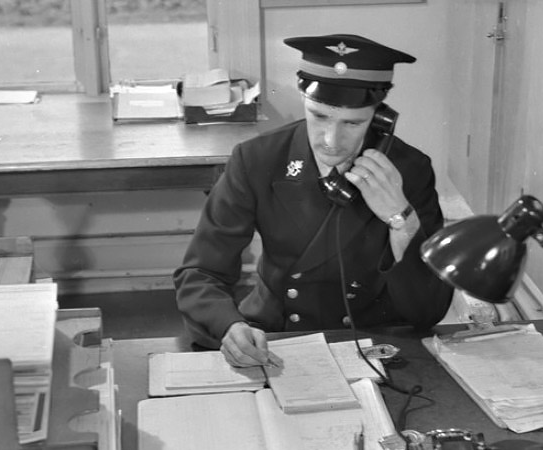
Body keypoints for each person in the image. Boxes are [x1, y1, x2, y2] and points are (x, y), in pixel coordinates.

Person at [174, 34, 453, 367]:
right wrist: (230, 326)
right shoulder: (258, 159)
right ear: (303, 99)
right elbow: (201, 271)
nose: (331, 140)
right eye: (319, 116)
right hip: (277, 332)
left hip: (373, 337)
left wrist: (401, 219)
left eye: (353, 123)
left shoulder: (409, 170)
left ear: (380, 117)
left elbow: (428, 310)